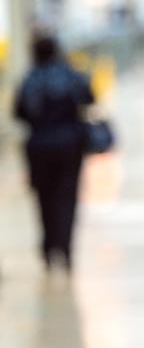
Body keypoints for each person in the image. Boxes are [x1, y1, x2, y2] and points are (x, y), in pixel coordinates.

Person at [14, 35, 95, 272]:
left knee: (44, 197)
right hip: (70, 145)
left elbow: (18, 113)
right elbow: (89, 98)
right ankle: (65, 247)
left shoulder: (30, 79)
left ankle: (49, 248)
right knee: (67, 197)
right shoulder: (70, 75)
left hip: (39, 147)